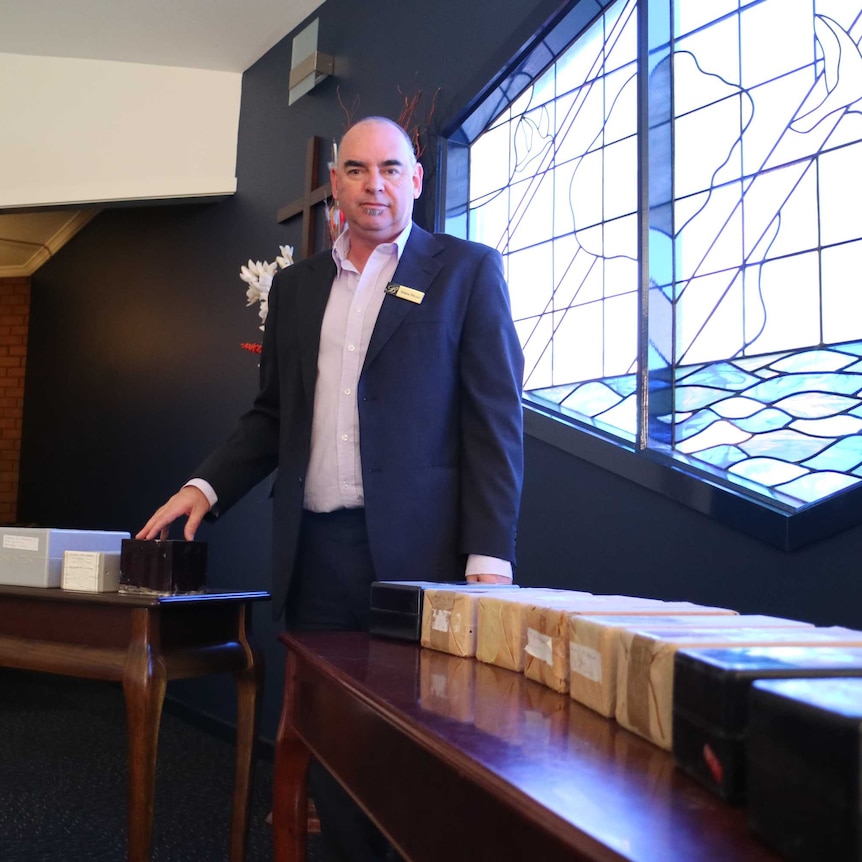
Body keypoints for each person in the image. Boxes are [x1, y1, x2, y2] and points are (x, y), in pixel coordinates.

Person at [137, 115, 524, 860]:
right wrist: (205, 487)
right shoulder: (297, 286)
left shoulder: (468, 271)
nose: (372, 184)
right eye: (355, 170)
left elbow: (494, 424)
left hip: (422, 562)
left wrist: (489, 561)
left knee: (421, 748)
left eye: (388, 168)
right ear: (334, 185)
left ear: (416, 179)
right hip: (314, 556)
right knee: (333, 745)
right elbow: (271, 414)